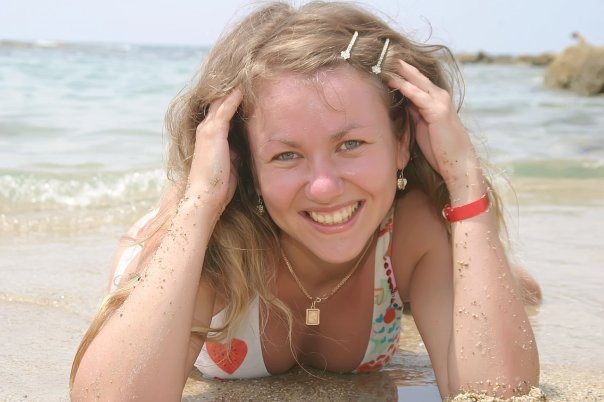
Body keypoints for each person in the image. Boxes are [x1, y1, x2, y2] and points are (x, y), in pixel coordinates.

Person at [70, 2, 541, 400]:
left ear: (401, 142)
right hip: (182, 240)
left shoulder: (412, 230)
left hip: (379, 240)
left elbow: (499, 391)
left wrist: (465, 183)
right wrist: (197, 206)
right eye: (286, 154)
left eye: (351, 144)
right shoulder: (217, 242)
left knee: (519, 289)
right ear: (246, 162)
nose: (324, 187)